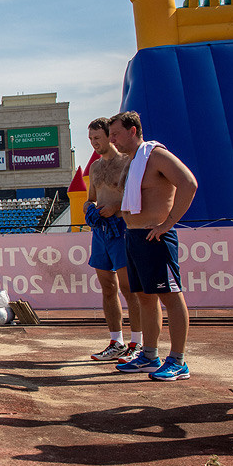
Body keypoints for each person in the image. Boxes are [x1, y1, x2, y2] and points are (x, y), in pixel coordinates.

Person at [109, 111, 198, 381]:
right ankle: (149, 355)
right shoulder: (133, 161)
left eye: (116, 134)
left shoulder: (156, 155)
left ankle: (178, 361)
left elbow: (188, 183)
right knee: (144, 298)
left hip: (155, 237)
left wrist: (168, 223)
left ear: (133, 130)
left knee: (171, 297)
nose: (112, 140)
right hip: (135, 237)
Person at [84, 118, 145, 361]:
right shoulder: (95, 167)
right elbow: (91, 197)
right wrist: (91, 209)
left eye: (97, 138)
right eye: (90, 140)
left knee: (129, 287)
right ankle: (116, 340)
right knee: (108, 287)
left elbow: (139, 195)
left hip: (122, 227)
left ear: (110, 136)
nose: (94, 144)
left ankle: (138, 342)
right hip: (101, 230)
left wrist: (116, 207)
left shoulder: (128, 162)